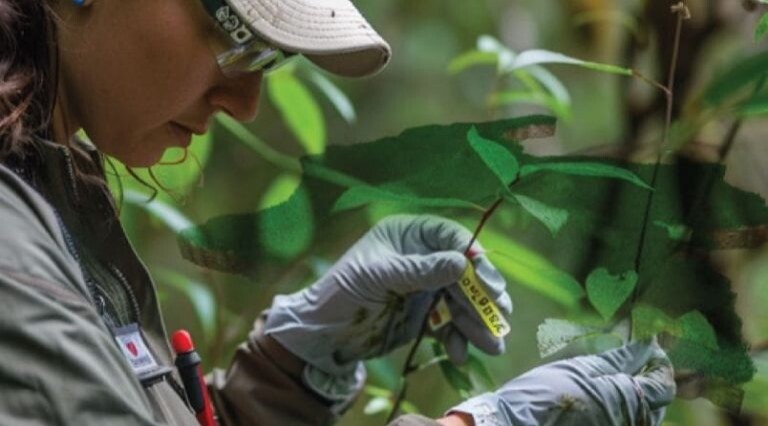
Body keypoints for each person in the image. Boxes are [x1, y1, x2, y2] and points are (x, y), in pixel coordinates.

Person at [0, 0, 676, 425]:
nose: (246, 102)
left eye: (271, 59)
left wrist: (288, 371)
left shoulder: (48, 194)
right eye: (234, 35)